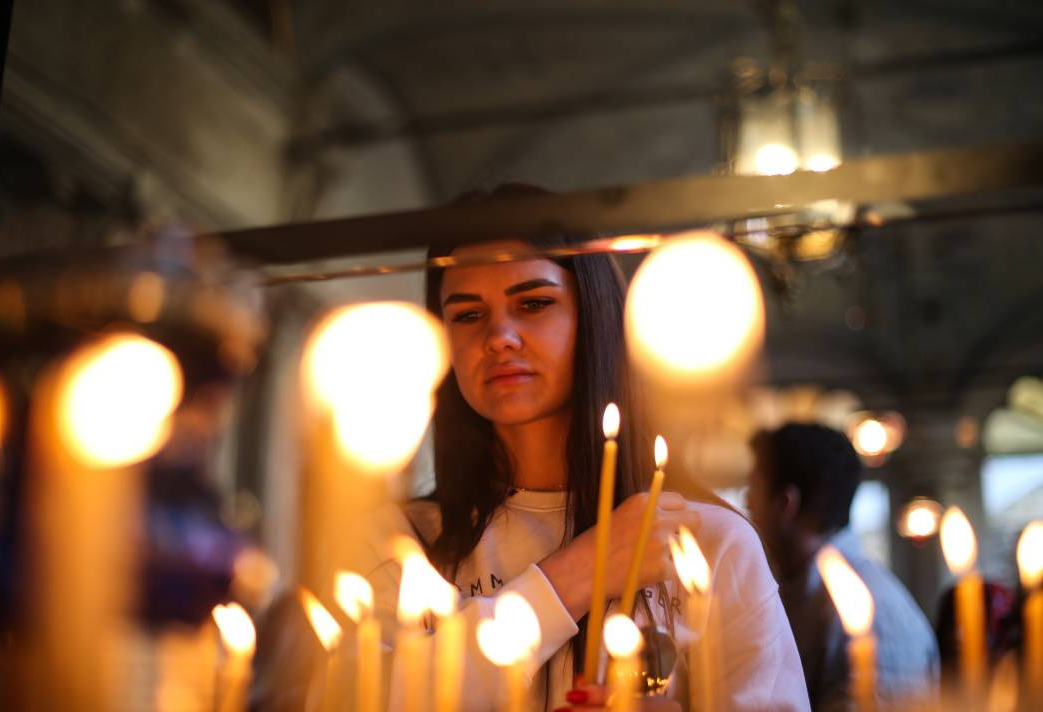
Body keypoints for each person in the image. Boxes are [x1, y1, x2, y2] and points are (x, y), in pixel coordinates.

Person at [352, 185, 809, 712]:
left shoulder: (705, 544)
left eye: (533, 303)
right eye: (469, 315)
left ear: (592, 313)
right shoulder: (399, 543)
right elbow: (369, 695)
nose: (499, 335)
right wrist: (577, 573)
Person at [746, 423, 939, 712]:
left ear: (785, 504)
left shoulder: (874, 616)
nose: (746, 505)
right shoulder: (798, 593)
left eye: (753, 492)